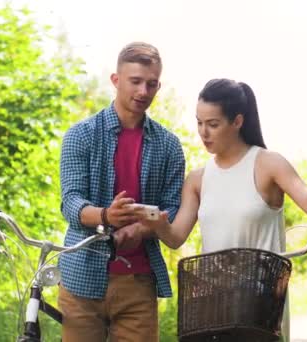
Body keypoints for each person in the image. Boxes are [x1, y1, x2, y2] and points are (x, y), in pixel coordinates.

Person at [140, 78, 307, 342]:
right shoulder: (199, 178)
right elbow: (175, 237)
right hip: (213, 303)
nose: (204, 132)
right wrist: (157, 223)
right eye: (199, 122)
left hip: (261, 301)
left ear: (237, 121)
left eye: (213, 124)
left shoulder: (268, 164)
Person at [57, 42, 185, 342]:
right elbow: (71, 202)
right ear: (116, 80)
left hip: (138, 282)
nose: (143, 91)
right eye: (135, 82)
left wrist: (141, 229)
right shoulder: (80, 135)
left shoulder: (169, 146)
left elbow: (172, 209)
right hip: (81, 278)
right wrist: (105, 215)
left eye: (151, 84)